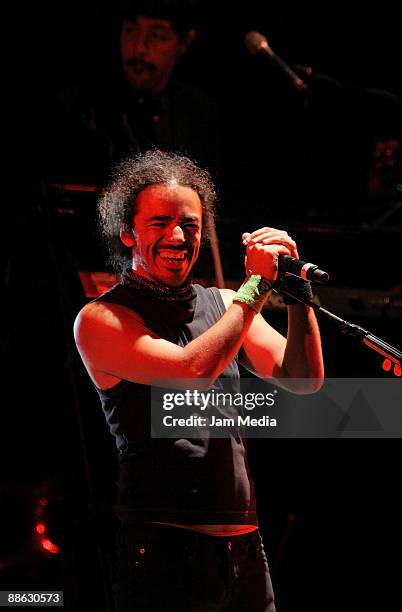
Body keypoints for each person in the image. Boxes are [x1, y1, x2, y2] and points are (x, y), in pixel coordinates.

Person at [73, 149, 324, 611]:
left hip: (246, 550)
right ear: (127, 232)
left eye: (190, 224)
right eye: (159, 223)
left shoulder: (225, 303)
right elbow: (190, 373)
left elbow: (303, 380)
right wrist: (254, 289)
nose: (177, 236)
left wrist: (296, 296)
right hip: (167, 550)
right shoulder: (102, 318)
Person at [45, 0, 219, 186]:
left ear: (184, 43)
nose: (139, 48)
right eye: (130, 30)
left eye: (156, 35)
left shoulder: (199, 111)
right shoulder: (78, 105)